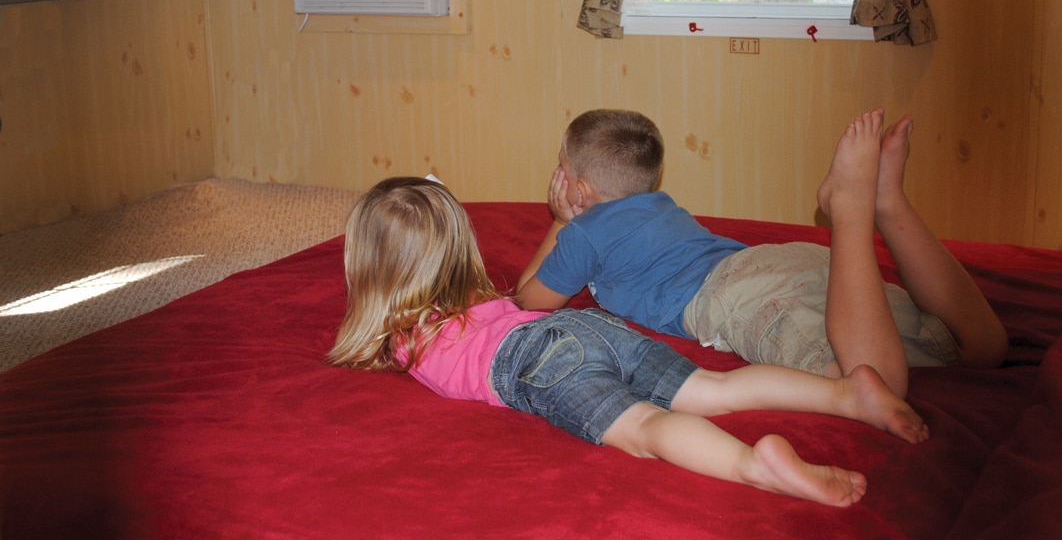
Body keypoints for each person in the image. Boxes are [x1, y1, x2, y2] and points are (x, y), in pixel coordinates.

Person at [328, 176, 930, 506]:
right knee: (712, 388)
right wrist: (556, 224)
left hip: (537, 361)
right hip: (583, 327)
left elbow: (372, 335)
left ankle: (754, 465)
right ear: (458, 250)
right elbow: (527, 298)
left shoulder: (404, 336)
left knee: (644, 430)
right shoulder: (483, 302)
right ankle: (847, 395)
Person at [514, 109, 1008, 399]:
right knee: (980, 348)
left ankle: (851, 210)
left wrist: (562, 220)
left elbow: (530, 301)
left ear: (577, 186)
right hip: (786, 263)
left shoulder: (586, 232)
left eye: (560, 168)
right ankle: (887, 200)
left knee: (871, 384)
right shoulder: (660, 205)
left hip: (736, 296)